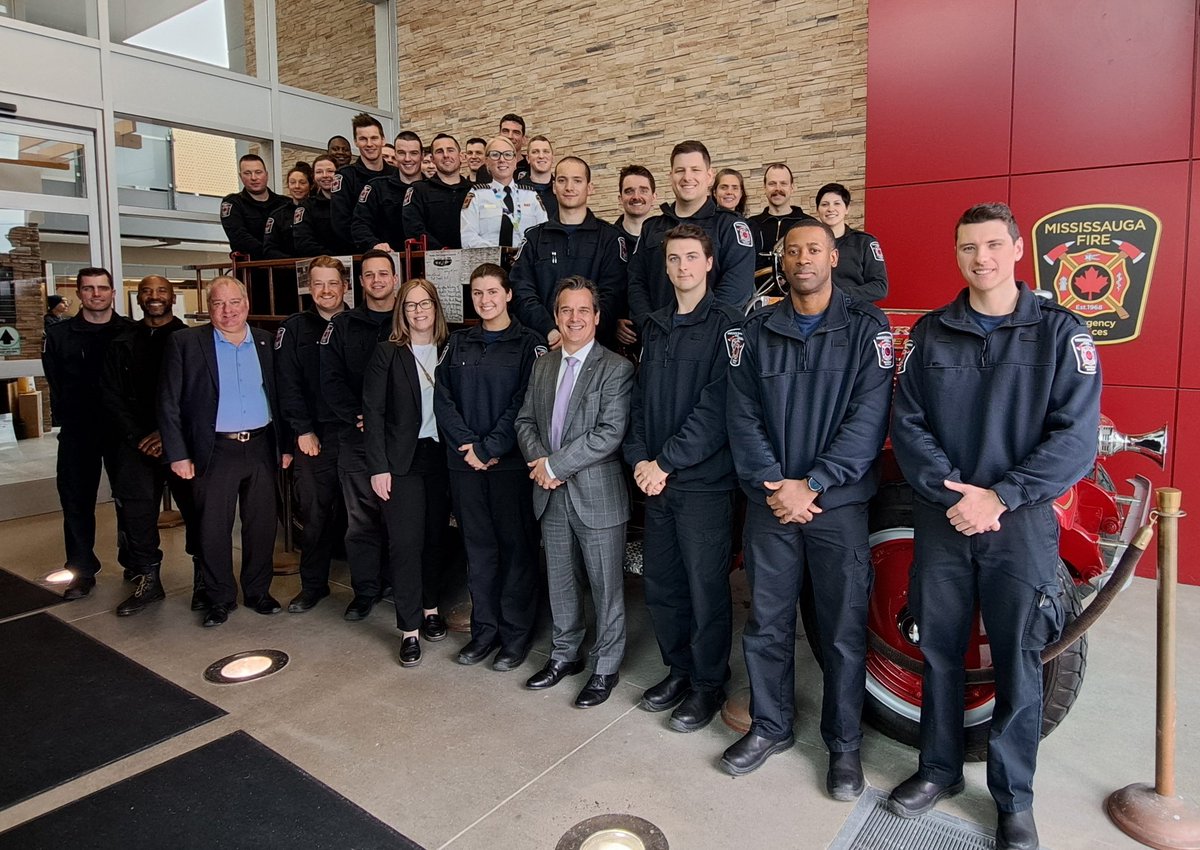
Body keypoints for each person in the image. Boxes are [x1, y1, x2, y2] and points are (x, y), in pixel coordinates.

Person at [887, 203, 1101, 850]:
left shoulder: (1062, 334)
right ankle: (937, 769)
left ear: (1016, 250)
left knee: (1019, 662)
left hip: (1019, 527)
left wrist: (1000, 497)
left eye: (991, 245)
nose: (980, 258)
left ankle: (1014, 801)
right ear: (957, 256)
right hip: (945, 519)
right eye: (967, 248)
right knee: (941, 652)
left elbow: (1076, 440)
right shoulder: (931, 334)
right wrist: (955, 495)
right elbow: (909, 422)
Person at [722, 222, 894, 796]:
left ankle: (844, 749)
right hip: (771, 504)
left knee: (842, 632)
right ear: (783, 259)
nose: (802, 259)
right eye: (792, 250)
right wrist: (777, 484)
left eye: (813, 249)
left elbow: (867, 422)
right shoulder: (756, 330)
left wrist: (813, 483)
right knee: (766, 622)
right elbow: (741, 415)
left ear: (833, 256)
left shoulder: (868, 329)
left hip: (837, 508)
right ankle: (770, 727)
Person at [623, 224, 742, 732]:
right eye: (674, 259)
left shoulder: (730, 326)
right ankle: (679, 670)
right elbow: (640, 402)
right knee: (663, 584)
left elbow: (718, 407)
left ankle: (708, 684)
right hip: (656, 482)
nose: (682, 267)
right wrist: (640, 460)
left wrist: (665, 463)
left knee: (705, 589)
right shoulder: (654, 326)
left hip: (703, 485)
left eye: (692, 257)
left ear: (709, 263)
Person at [515, 276, 634, 708]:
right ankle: (565, 655)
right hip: (550, 493)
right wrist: (541, 465)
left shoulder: (616, 368)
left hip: (596, 496)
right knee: (560, 581)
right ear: (555, 316)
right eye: (566, 310)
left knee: (606, 588)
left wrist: (555, 465)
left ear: (597, 317)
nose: (575, 318)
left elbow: (609, 434)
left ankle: (605, 667)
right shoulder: (543, 365)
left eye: (584, 310)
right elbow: (525, 421)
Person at [159, 277, 291, 627]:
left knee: (261, 525)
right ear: (209, 306)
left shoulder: (264, 341)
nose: (227, 310)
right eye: (219, 303)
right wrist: (178, 454)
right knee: (212, 528)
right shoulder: (186, 342)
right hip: (213, 450)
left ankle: (258, 591)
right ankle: (219, 598)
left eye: (234, 302)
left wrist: (285, 446)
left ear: (246, 304)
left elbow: (280, 397)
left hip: (261, 446)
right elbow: (169, 403)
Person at [435, 264, 542, 670]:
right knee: (477, 551)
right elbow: (441, 398)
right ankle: (484, 632)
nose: (485, 300)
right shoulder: (458, 343)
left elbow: (526, 403)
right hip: (465, 466)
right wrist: (469, 446)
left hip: (509, 466)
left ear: (508, 294)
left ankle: (515, 638)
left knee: (517, 552)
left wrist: (492, 446)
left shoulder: (528, 345)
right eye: (478, 293)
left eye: (493, 292)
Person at [363, 278, 452, 667]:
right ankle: (410, 628)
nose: (418, 311)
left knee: (436, 539)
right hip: (402, 461)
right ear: (402, 311)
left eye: (424, 303)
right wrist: (378, 467)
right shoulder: (388, 353)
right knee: (405, 544)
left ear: (436, 308)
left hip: (443, 459)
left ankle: (431, 609)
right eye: (410, 305)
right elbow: (374, 412)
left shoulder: (451, 349)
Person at [102, 275, 204, 616]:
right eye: (147, 291)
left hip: (183, 440)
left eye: (162, 291)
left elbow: (199, 391)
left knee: (197, 509)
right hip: (135, 443)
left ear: (173, 297)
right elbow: (111, 394)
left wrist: (167, 432)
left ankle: (204, 578)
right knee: (137, 510)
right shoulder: (121, 339)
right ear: (138, 298)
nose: (154, 296)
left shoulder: (192, 339)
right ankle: (148, 578)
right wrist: (137, 435)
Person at [42, 267, 134, 599]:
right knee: (77, 501)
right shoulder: (60, 335)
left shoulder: (130, 332)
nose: (96, 294)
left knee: (130, 500)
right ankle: (81, 569)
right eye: (88, 288)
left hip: (123, 430)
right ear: (79, 294)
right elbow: (55, 380)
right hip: (79, 429)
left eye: (102, 288)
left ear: (113, 292)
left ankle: (136, 565)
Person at [321, 249, 402, 622]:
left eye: (383, 273)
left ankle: (405, 588)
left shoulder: (410, 319)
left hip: (401, 438)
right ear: (360, 282)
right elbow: (330, 378)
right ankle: (366, 590)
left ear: (395, 278)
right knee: (360, 520)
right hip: (356, 437)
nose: (376, 281)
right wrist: (360, 416)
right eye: (369, 275)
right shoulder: (342, 325)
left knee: (401, 518)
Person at [275, 256, 349, 613]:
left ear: (345, 286)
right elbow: (286, 385)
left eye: (332, 283)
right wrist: (301, 431)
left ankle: (372, 587)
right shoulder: (293, 329)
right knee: (315, 516)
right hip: (313, 438)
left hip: (354, 437)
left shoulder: (358, 324)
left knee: (365, 516)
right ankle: (314, 585)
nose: (325, 291)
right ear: (309, 287)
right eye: (318, 284)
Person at [627, 141, 755, 330]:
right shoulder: (651, 228)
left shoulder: (730, 226)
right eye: (680, 171)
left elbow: (737, 287)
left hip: (710, 337)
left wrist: (699, 325)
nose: (687, 177)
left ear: (709, 176)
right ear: (671, 176)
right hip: (658, 336)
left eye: (695, 170)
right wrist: (650, 324)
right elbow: (636, 282)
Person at [510, 156, 627, 349]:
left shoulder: (610, 238)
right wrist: (550, 330)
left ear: (590, 188)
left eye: (577, 180)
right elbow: (522, 292)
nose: (569, 187)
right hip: (545, 346)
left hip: (595, 350)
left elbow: (612, 295)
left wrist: (579, 334)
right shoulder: (534, 239)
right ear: (554, 187)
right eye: (562, 180)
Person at [460, 136, 548, 249]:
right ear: (487, 161)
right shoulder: (477, 195)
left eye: (508, 154)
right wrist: (500, 255)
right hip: (489, 263)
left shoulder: (530, 195)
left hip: (526, 263)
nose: (502, 159)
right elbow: (468, 237)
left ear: (515, 160)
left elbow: (544, 234)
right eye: (495, 155)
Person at [330, 113, 397, 250]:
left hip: (395, 252)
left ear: (383, 140)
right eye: (363, 139)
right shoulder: (345, 177)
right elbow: (341, 223)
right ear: (355, 142)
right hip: (360, 254)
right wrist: (369, 245)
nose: (369, 144)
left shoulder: (396, 174)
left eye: (374, 138)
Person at [352, 130, 424, 253]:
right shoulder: (376, 188)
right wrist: (374, 244)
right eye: (401, 153)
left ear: (422, 156)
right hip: (386, 261)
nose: (407, 159)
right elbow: (360, 224)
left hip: (429, 261)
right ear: (395, 155)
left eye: (413, 153)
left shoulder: (433, 189)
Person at [815, 182, 889, 303]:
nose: (830, 209)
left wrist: (838, 295)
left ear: (847, 209)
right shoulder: (809, 244)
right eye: (824, 204)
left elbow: (880, 287)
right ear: (817, 209)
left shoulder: (865, 242)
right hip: (814, 313)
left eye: (837, 203)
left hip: (854, 312)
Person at [613, 165, 657, 347]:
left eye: (643, 190)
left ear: (654, 197)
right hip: (617, 344)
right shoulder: (607, 240)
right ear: (620, 198)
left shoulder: (668, 240)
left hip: (657, 335)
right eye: (629, 191)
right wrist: (610, 323)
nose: (636, 197)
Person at [402, 133, 469, 250]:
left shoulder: (474, 190)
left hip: (473, 259)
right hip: (434, 261)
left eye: (450, 150)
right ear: (432, 159)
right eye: (439, 151)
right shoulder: (418, 190)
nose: (446, 155)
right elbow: (414, 227)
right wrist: (439, 250)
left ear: (461, 156)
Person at [748, 163, 816, 276]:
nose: (778, 189)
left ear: (792, 187)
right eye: (772, 184)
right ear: (764, 188)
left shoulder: (810, 225)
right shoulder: (750, 225)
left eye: (783, 183)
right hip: (756, 292)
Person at [220, 154, 285, 262]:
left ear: (266, 175)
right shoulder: (233, 203)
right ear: (241, 177)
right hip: (251, 270)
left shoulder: (284, 203)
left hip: (285, 267)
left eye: (258, 172)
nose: (254, 178)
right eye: (247, 173)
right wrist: (271, 254)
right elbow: (239, 238)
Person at [294, 154, 349, 257]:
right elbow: (303, 242)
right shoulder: (306, 206)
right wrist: (332, 259)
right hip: (323, 265)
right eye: (319, 172)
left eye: (330, 171)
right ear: (313, 177)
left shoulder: (351, 201)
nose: (325, 175)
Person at [264, 165, 313, 259]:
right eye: (292, 182)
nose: (297, 186)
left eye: (302, 182)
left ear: (311, 185)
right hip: (287, 267)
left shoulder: (318, 210)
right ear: (288, 185)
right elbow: (269, 249)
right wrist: (291, 261)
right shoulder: (277, 215)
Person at [475, 114, 532, 183]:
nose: (510, 136)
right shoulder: (485, 170)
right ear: (499, 135)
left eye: (516, 132)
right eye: (505, 131)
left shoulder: (531, 167)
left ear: (523, 139)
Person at [524, 135, 557, 219]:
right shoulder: (516, 190)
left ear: (552, 157)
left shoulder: (562, 190)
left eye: (546, 151)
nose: (541, 156)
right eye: (535, 152)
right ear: (528, 158)